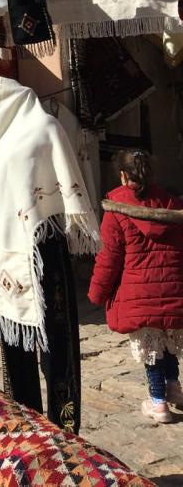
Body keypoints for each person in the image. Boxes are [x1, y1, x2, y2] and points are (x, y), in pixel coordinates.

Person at [88, 149, 183, 423]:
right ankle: (174, 388)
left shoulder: (116, 207)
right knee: (166, 339)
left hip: (139, 294)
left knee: (152, 350)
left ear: (122, 175)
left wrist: (97, 292)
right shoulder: (170, 203)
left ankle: (158, 402)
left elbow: (109, 257)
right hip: (172, 290)